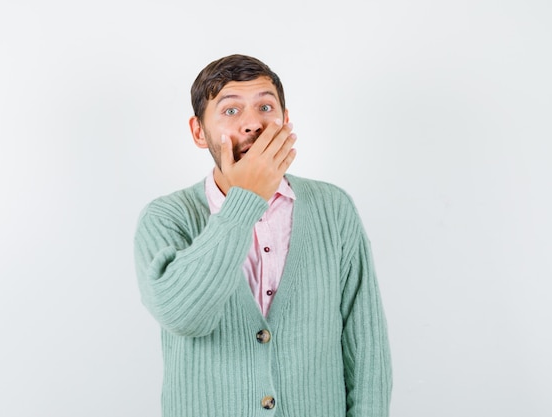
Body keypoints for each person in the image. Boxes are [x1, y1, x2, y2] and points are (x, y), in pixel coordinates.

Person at [134, 54, 392, 416]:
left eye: (265, 107)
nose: (253, 123)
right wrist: (245, 201)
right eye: (230, 111)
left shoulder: (333, 207)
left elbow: (367, 349)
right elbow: (184, 316)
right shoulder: (165, 217)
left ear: (285, 122)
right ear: (198, 132)